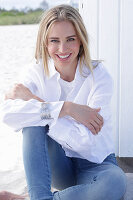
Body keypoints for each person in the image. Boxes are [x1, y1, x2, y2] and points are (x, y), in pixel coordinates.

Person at [0, 4, 126, 200]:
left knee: (116, 183)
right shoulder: (35, 73)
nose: (62, 49)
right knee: (32, 124)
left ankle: (31, 198)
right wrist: (66, 109)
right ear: (45, 43)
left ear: (81, 41)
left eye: (70, 39)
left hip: (96, 164)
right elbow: (9, 114)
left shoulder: (99, 76)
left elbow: (88, 143)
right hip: (59, 165)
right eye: (54, 41)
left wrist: (35, 102)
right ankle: (40, 196)